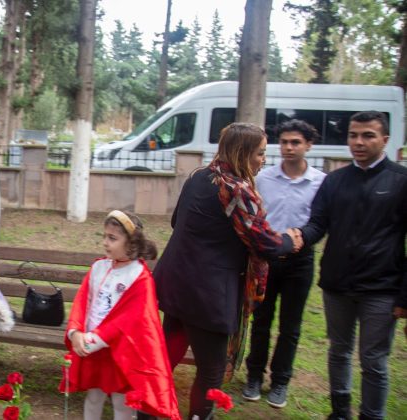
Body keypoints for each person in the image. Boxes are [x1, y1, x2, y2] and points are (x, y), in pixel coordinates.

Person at [152, 122, 302, 419]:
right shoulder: (236, 190)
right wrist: (289, 240)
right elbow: (265, 244)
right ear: (243, 153)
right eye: (260, 153)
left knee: (167, 354)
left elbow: (176, 222)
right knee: (211, 370)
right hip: (208, 294)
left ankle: (145, 410)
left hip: (177, 283)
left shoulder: (197, 177)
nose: (264, 160)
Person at [294, 111, 406, 420]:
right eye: (353, 135)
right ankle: (339, 412)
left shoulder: (400, 180)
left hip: (382, 289)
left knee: (374, 360)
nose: (358, 142)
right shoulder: (335, 180)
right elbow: (318, 224)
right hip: (336, 284)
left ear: (385, 139)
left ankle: (372, 415)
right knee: (338, 351)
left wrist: (404, 297)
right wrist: (297, 237)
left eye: (368, 135)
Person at [60, 210, 180, 420]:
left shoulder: (140, 278)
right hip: (92, 349)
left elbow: (129, 320)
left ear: (131, 243)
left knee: (122, 403)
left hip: (122, 353)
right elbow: (82, 301)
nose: (105, 242)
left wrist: (91, 340)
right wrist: (75, 332)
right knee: (94, 396)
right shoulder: (98, 267)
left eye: (112, 238)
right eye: (104, 236)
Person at [242, 120, 326, 408]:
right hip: (267, 259)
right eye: (285, 142)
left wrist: (301, 238)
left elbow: (320, 222)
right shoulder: (263, 178)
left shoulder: (320, 181)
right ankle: (254, 376)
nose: (289, 148)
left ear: (308, 145)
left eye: (296, 142)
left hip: (300, 262)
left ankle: (280, 382)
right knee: (261, 321)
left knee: (291, 326)